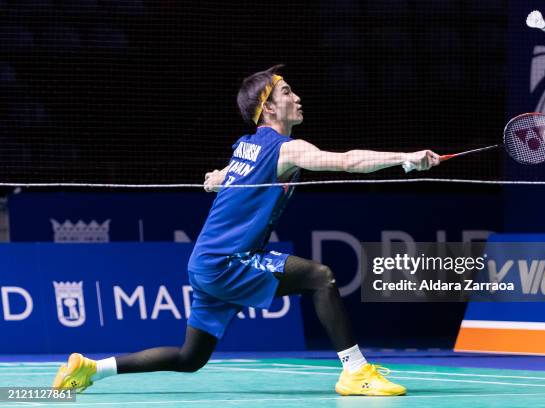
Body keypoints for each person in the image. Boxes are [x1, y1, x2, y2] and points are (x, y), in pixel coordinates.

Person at [52, 65, 439, 396]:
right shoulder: (283, 149)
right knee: (320, 278)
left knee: (190, 358)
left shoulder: (245, 146)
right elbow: (347, 161)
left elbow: (227, 176)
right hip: (228, 262)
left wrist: (217, 178)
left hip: (206, 264)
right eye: (287, 92)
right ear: (268, 106)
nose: (297, 97)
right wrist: (404, 157)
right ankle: (356, 372)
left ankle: (90, 368)